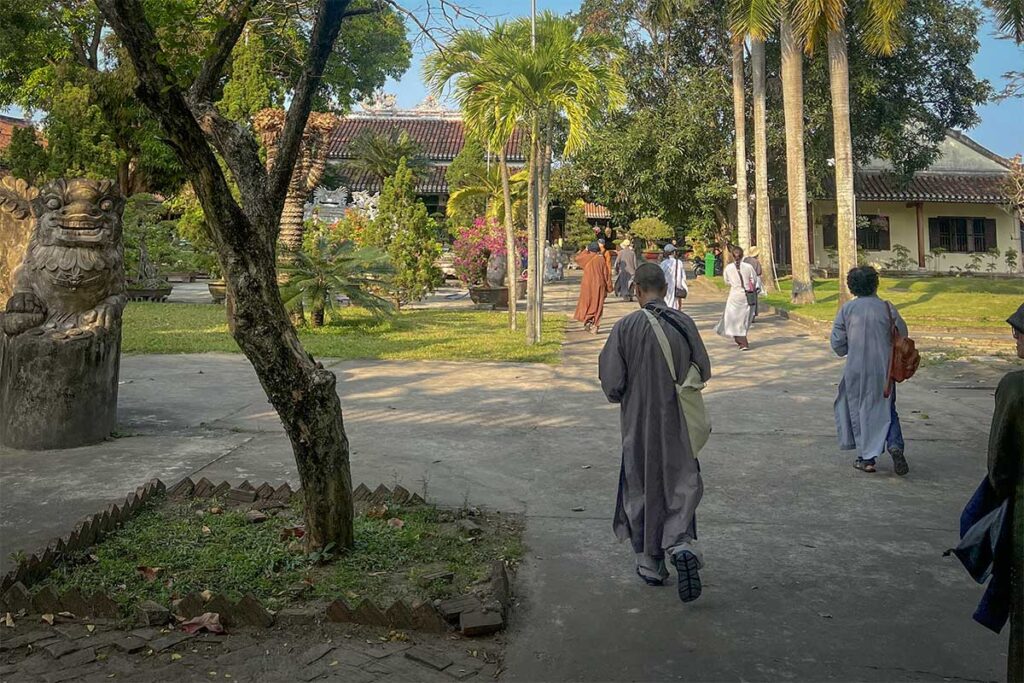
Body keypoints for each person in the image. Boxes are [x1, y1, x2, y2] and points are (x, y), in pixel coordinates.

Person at [598, 262, 712, 603]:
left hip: (638, 421)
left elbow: (612, 384)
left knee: (641, 481)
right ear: (664, 288)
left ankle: (649, 560)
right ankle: (679, 543)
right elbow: (703, 370)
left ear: (637, 290)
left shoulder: (625, 327)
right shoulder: (684, 323)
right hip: (679, 421)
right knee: (680, 478)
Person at [830, 266, 909, 475]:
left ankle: (867, 459)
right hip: (884, 370)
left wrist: (850, 348)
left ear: (852, 286)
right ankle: (895, 444)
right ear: (875, 283)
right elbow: (902, 333)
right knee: (887, 409)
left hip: (856, 368)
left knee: (860, 410)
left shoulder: (847, 309)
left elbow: (837, 343)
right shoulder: (886, 307)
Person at [714, 247, 759, 350]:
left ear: (732, 256)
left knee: (732, 318)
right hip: (746, 295)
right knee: (743, 319)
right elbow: (754, 279)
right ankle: (741, 339)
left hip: (734, 295)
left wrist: (735, 284)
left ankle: (742, 341)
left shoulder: (728, 268)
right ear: (742, 255)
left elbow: (726, 281)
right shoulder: (748, 267)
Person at [573, 242, 612, 334]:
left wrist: (585, 250)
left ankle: (587, 320)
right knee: (598, 304)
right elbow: (606, 274)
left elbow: (577, 258)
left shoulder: (586, 257)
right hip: (599, 285)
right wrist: (609, 286)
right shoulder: (601, 259)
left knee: (587, 302)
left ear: (589, 250)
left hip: (587, 284)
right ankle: (595, 325)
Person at [660, 244, 687, 310]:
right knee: (676, 306)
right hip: (676, 289)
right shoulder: (679, 263)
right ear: (673, 252)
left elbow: (660, 275)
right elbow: (683, 277)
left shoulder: (663, 264)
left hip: (666, 288)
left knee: (667, 304)